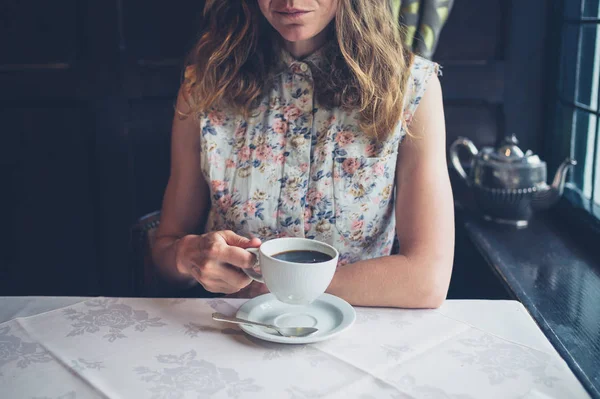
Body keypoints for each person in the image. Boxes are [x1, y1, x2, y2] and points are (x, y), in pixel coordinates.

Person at [151, 0, 454, 308]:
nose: (291, 2)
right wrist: (187, 256)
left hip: (357, 338)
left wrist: (278, 286)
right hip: (232, 332)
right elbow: (165, 253)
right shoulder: (205, 85)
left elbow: (426, 278)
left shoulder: (410, 87)